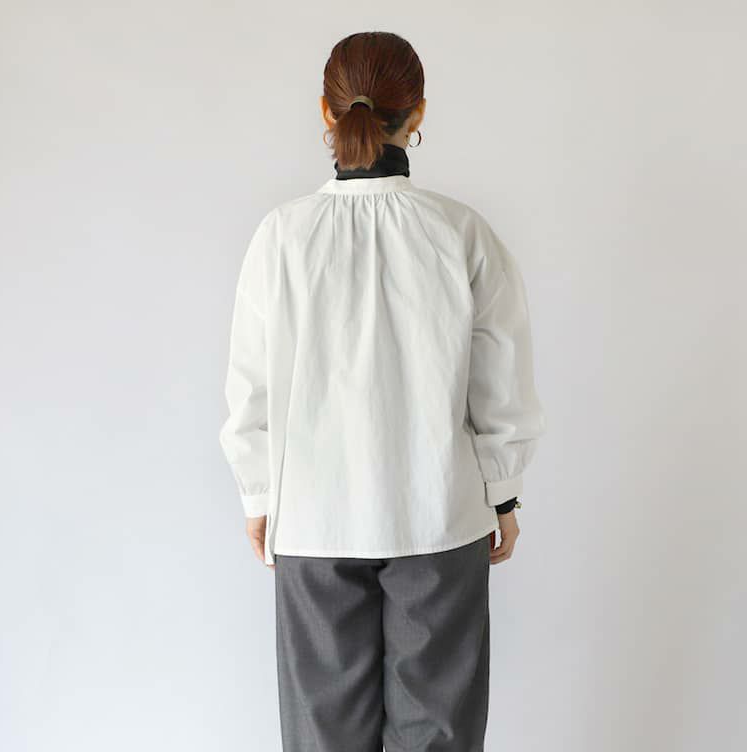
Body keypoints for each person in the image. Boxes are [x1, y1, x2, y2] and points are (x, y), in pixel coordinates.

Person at [218, 30, 545, 752]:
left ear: (325, 112)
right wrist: (503, 496)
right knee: (439, 737)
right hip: (438, 516)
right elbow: (501, 382)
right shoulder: (461, 233)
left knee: (323, 738)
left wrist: (259, 496)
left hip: (314, 521)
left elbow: (251, 387)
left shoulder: (281, 236)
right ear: (417, 112)